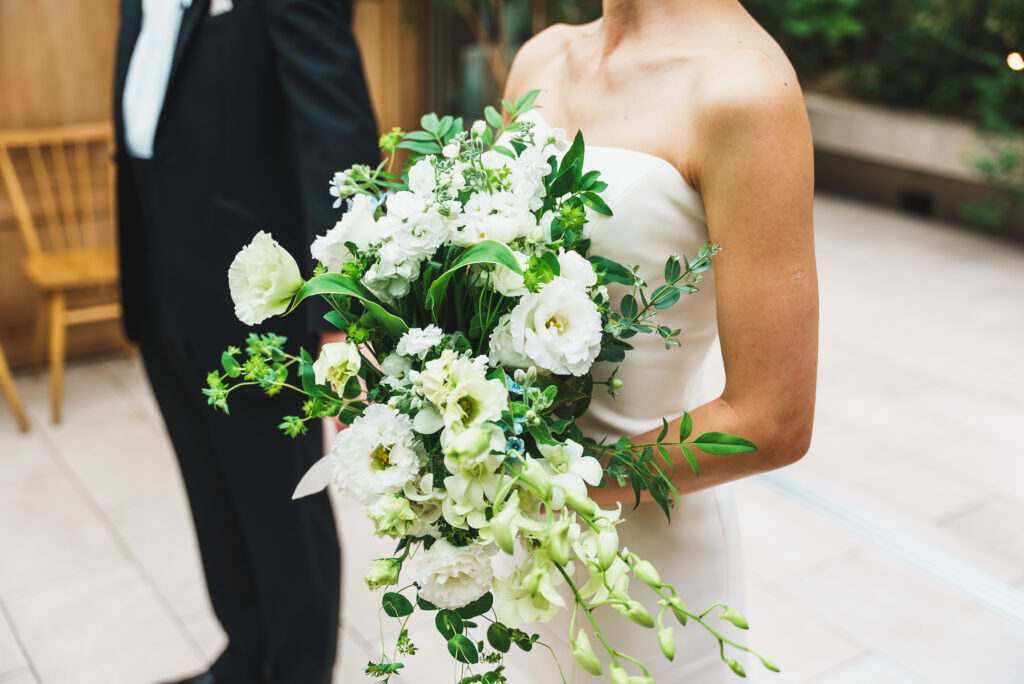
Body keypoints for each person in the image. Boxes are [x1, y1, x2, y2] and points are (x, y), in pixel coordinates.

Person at [496, 1, 819, 681]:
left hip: (645, 569)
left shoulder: (744, 90)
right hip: (514, 546)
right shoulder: (542, 57)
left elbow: (773, 418)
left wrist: (555, 491)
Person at [112, 1, 378, 683]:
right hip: (155, 274)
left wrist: (337, 315)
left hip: (256, 297)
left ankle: (295, 670)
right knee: (213, 496)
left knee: (282, 511)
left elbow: (335, 128)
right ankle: (246, 653)